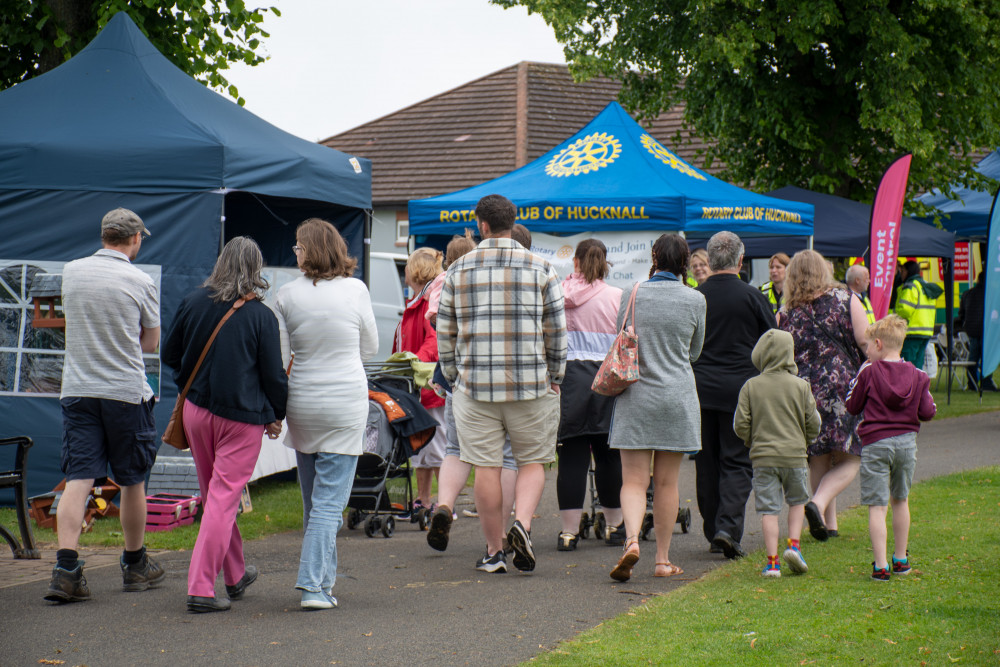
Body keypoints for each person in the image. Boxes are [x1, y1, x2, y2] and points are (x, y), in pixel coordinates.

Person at [437, 194, 566, 574]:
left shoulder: (458, 270)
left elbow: (446, 331)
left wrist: (453, 375)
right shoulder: (542, 268)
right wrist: (555, 376)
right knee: (532, 461)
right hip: (531, 384)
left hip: (476, 387)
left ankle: (494, 552)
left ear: (481, 225)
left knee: (485, 467)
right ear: (513, 222)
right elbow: (556, 330)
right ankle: (522, 524)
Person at [162, 237, 288, 613]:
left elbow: (170, 354)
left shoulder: (193, 301)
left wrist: (189, 384)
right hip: (241, 419)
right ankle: (200, 587)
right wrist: (276, 414)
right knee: (222, 499)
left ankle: (234, 575)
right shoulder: (262, 317)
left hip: (197, 412)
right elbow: (273, 377)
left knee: (217, 496)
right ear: (256, 269)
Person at [45, 208, 164, 605]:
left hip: (78, 388)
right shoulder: (141, 280)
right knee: (132, 480)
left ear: (103, 237)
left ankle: (66, 570)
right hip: (124, 392)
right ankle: (135, 565)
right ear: (134, 239)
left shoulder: (72, 271)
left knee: (80, 477)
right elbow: (149, 344)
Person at [274, 218, 378, 610]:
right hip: (343, 401)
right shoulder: (355, 290)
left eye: (298, 247)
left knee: (314, 503)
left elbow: (282, 358)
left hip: (302, 400)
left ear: (311, 250)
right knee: (329, 504)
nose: (295, 253)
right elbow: (370, 345)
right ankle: (313, 586)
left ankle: (324, 581)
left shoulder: (285, 294)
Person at [608, 234, 705, 582]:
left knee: (633, 481)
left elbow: (620, 337)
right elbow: (695, 353)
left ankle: (632, 540)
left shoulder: (631, 293)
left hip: (636, 395)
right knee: (667, 483)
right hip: (677, 398)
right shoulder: (696, 299)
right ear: (685, 261)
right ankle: (662, 560)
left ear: (654, 256)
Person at [426, 233, 519, 553]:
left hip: (458, 378)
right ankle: (500, 534)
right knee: (504, 456)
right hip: (504, 378)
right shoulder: (508, 275)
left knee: (454, 448)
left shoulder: (452, 278)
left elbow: (439, 324)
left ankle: (445, 505)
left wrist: (449, 374)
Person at [692, 231, 775, 560]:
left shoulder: (696, 297)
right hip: (742, 389)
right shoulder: (753, 297)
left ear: (710, 261)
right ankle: (728, 527)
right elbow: (772, 342)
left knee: (706, 462)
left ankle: (714, 528)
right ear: (741, 261)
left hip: (699, 389)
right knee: (738, 461)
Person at [779, 249, 869, 540]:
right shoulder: (847, 300)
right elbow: (866, 341)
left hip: (803, 392)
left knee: (817, 457)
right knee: (850, 458)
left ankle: (829, 526)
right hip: (843, 388)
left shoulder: (785, 313)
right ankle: (817, 504)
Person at [845, 315, 936, 581]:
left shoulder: (869, 372)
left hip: (875, 443)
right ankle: (901, 559)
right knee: (900, 499)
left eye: (867, 348)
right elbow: (928, 411)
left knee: (877, 505)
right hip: (906, 443)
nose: (867, 353)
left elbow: (852, 405)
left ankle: (881, 565)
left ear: (877, 344)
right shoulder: (918, 375)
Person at [734, 329, 821, 578]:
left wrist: (752, 440)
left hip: (763, 458)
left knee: (769, 509)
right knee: (796, 502)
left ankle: (772, 563)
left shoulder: (751, 387)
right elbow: (813, 423)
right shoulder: (801, 386)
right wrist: (805, 441)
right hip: (794, 456)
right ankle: (794, 547)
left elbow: (740, 424)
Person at [555, 239, 624, 551]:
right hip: (607, 380)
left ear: (576, 263)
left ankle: (569, 534)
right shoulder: (617, 297)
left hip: (569, 380)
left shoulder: (558, 295)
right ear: (605, 262)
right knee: (609, 457)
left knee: (571, 458)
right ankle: (614, 527)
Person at [393, 247, 447, 515]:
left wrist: (413, 358)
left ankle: (445, 505)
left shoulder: (427, 303)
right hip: (416, 386)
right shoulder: (417, 301)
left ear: (415, 271)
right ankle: (424, 501)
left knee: (436, 449)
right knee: (421, 451)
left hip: (428, 386)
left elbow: (433, 339)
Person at [894, 260, 942, 370]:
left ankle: (908, 386)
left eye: (902, 271)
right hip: (926, 331)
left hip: (912, 331)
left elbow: (905, 310)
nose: (901, 274)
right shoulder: (924, 285)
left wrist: (895, 313)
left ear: (907, 271)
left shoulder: (911, 286)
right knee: (918, 364)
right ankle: (917, 386)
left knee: (907, 364)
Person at [957, 271, 997, 391]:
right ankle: (986, 383)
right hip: (987, 331)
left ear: (978, 280)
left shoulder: (967, 294)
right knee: (987, 359)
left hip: (972, 331)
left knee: (972, 359)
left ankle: (972, 382)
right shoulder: (992, 295)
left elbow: (961, 315)